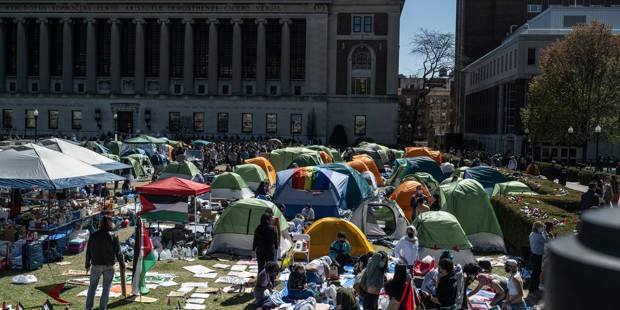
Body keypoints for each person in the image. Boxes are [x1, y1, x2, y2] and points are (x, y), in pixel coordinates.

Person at [85, 216, 125, 310]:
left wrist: (87, 264)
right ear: (110, 223)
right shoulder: (113, 235)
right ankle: (102, 308)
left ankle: (88, 308)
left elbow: (88, 251)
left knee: (92, 287)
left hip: (96, 265)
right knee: (106, 288)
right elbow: (118, 252)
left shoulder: (94, 235)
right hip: (108, 265)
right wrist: (122, 264)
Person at [528, 221, 548, 294]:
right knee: (536, 273)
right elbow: (547, 241)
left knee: (536, 272)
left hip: (534, 255)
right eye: (541, 227)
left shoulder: (532, 234)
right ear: (538, 228)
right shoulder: (538, 236)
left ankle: (534, 288)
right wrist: (545, 233)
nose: (542, 229)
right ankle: (532, 289)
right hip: (537, 256)